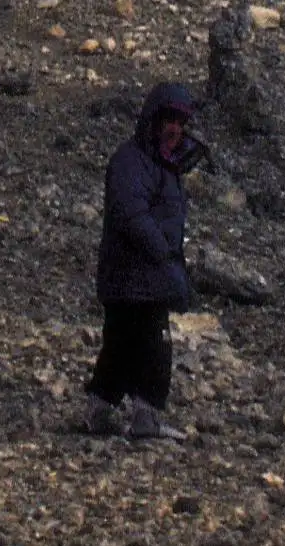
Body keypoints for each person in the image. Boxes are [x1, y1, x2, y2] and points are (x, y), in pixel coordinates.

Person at [88, 80, 207, 440]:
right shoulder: (131, 161)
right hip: (134, 275)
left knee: (123, 344)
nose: (176, 129)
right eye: (169, 120)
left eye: (180, 122)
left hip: (138, 277)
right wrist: (163, 252)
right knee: (153, 347)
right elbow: (130, 213)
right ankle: (143, 417)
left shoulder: (162, 165)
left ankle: (102, 410)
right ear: (153, 120)